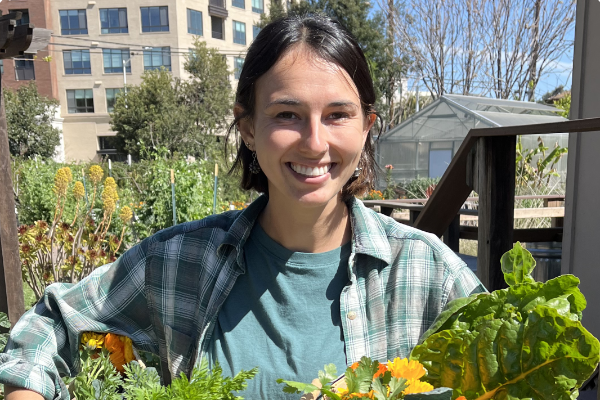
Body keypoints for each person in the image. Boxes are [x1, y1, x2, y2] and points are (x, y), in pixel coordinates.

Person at [1, 14, 485, 400]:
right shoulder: (178, 262)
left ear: (366, 127)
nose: (315, 142)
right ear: (249, 127)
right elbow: (53, 322)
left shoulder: (427, 275)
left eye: (337, 115)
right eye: (287, 115)